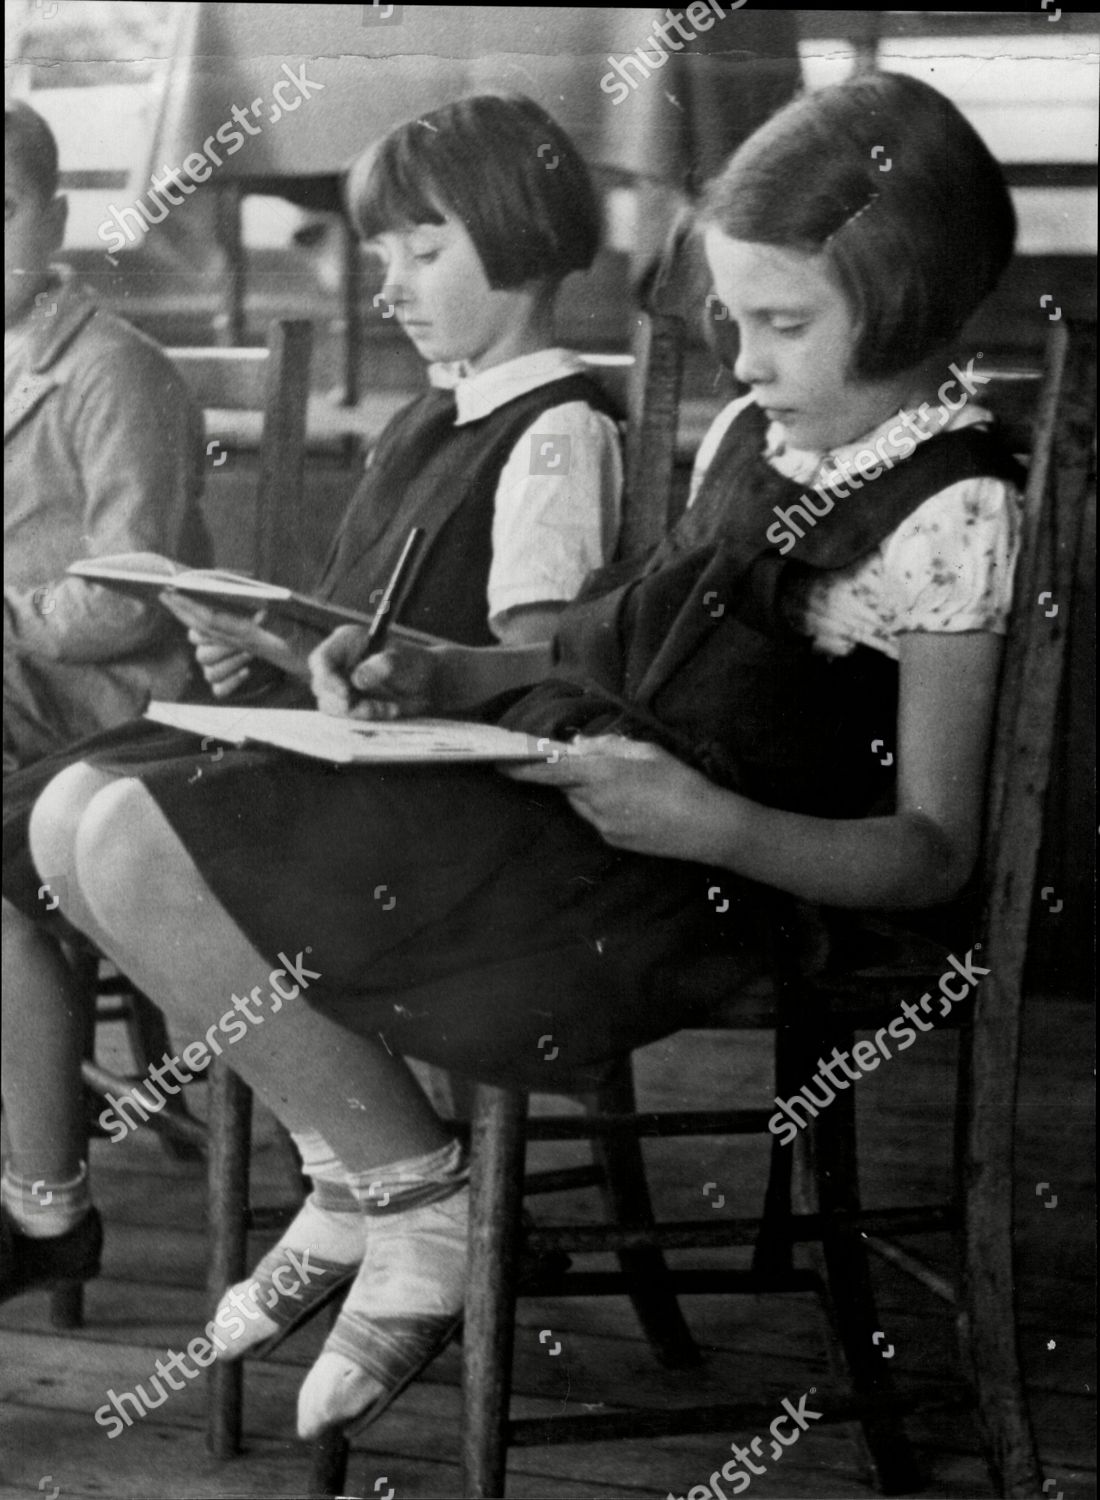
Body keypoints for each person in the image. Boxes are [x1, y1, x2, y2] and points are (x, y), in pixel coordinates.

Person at [8, 70, 1024, 1445]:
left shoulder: (952, 506)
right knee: (79, 814)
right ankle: (365, 1170)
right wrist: (440, 672)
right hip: (587, 794)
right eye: (735, 320)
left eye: (783, 325)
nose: (742, 361)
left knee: (130, 831)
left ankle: (402, 1198)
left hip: (699, 886)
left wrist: (709, 823)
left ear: (903, 304)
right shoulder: (753, 433)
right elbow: (614, 651)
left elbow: (936, 855)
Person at [0, 93, 620, 1313]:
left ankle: (354, 1172)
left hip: (445, 801)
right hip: (348, 750)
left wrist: (351, 661)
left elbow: (546, 667)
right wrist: (265, 647)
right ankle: (334, 1165)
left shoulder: (554, 432)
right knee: (66, 814)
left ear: (522, 238)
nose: (390, 283)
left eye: (421, 250)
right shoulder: (433, 415)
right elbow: (368, 627)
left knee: (103, 819)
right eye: (384, 253)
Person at [4, 98, 209, 767]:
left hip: (111, 705)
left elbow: (127, 602)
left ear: (56, 220)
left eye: (2, 210)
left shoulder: (117, 372)